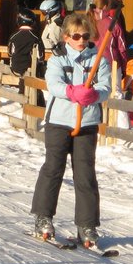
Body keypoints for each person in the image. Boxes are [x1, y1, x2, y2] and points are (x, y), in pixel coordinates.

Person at [31, 13, 112, 248]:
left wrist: (94, 95)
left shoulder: (98, 59)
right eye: (76, 36)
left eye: (85, 36)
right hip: (59, 121)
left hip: (86, 122)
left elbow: (106, 87)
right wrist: (71, 91)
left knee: (85, 174)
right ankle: (43, 217)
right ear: (66, 37)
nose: (81, 40)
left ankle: (87, 225)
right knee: (53, 169)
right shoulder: (58, 58)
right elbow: (53, 84)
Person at [8, 7, 45, 78]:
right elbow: (41, 56)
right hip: (31, 69)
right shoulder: (35, 36)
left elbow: (10, 53)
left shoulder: (14, 35)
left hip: (15, 69)